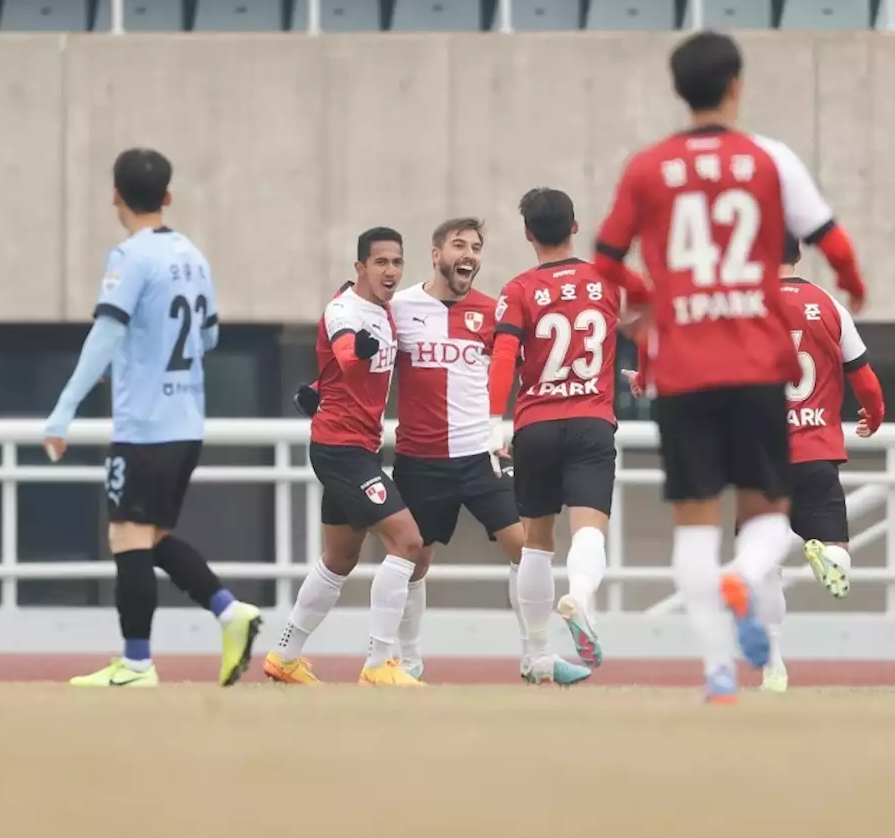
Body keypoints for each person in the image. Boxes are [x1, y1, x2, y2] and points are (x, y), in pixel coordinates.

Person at [592, 30, 868, 703]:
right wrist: (853, 282)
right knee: (769, 511)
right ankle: (746, 570)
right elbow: (831, 240)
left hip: (685, 370)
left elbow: (604, 260)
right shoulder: (769, 159)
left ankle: (718, 671)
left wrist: (650, 301)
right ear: (736, 85)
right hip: (754, 367)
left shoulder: (647, 166)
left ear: (678, 89)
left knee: (693, 523)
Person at [43, 148, 262, 688]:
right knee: (151, 535)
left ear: (115, 195)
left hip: (144, 423)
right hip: (187, 418)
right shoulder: (193, 255)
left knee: (126, 536)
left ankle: (137, 662)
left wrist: (63, 410)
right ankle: (229, 611)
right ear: (167, 197)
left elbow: (108, 330)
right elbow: (207, 335)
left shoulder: (129, 257)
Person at [387, 217, 590, 686]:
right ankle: (409, 659)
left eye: (476, 247)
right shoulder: (400, 308)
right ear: (436, 255)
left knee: (525, 548)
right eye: (459, 245)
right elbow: (371, 362)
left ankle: (537, 657)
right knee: (415, 558)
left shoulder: (493, 310)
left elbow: (523, 366)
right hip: (421, 458)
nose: (469, 255)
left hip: (482, 455)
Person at [263, 227, 427, 687]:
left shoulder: (385, 310)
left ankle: (285, 656)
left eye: (396, 262)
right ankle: (379, 664)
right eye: (380, 262)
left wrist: (318, 390)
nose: (390, 271)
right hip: (342, 451)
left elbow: (338, 373)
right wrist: (358, 350)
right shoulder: (344, 309)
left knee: (339, 558)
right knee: (408, 542)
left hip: (355, 446)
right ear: (360, 267)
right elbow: (347, 353)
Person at [487, 188, 620, 673]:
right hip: (591, 421)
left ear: (527, 233)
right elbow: (652, 324)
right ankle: (580, 597)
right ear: (576, 227)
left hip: (535, 424)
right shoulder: (607, 281)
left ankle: (538, 654)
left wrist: (491, 421)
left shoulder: (519, 290)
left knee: (536, 540)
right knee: (590, 530)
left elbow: (504, 357)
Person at [756, 236, 885, 691]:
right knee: (840, 556)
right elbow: (864, 377)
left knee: (764, 566)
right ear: (798, 254)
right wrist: (874, 411)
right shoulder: (828, 305)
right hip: (816, 453)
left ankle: (773, 663)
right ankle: (824, 553)